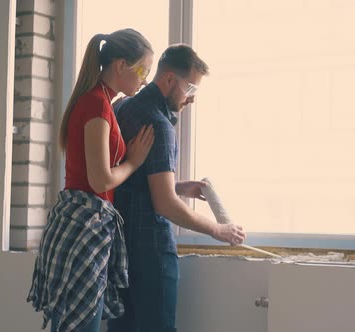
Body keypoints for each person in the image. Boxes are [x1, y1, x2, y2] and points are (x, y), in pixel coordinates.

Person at [106, 44, 246, 332]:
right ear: (169, 80)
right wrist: (217, 230)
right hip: (151, 253)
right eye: (190, 89)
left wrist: (181, 186)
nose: (191, 100)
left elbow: (133, 180)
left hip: (118, 251)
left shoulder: (122, 107)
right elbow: (165, 204)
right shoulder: (159, 124)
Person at [27, 28, 156, 332]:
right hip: (85, 226)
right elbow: (101, 180)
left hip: (80, 225)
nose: (144, 80)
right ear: (121, 66)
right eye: (142, 70)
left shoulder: (98, 102)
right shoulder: (97, 104)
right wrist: (133, 162)